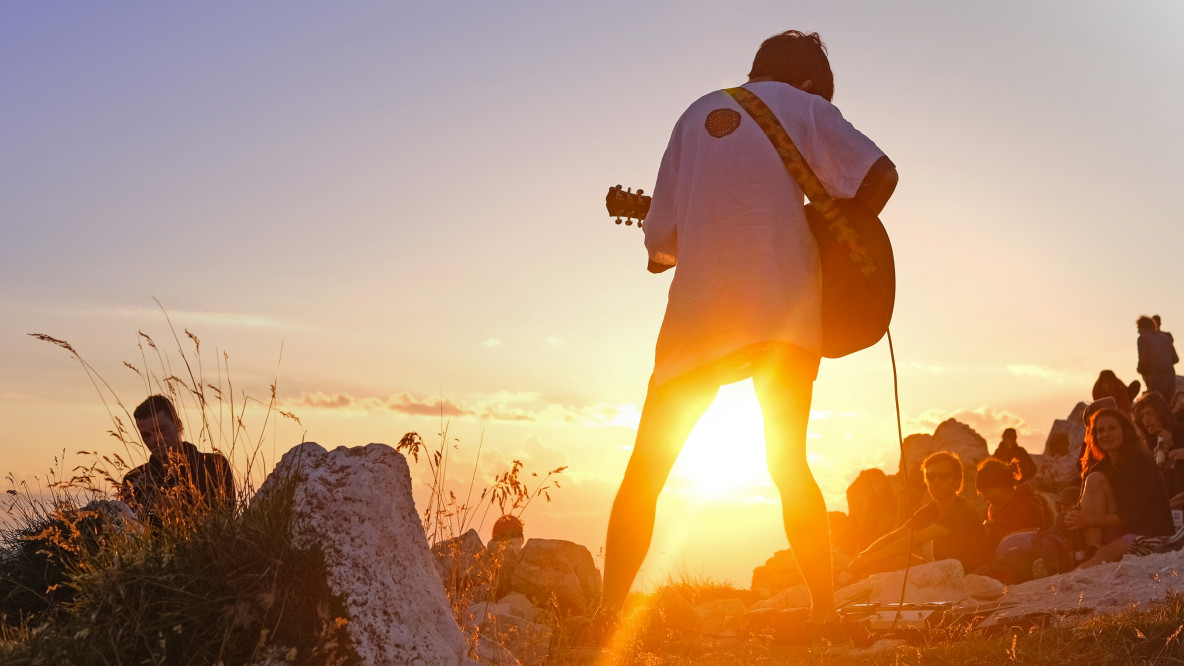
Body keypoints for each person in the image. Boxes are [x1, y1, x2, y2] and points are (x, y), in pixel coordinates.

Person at [601, 30, 898, 634]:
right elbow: (880, 174)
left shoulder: (693, 115)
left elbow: (661, 243)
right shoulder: (810, 108)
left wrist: (714, 220)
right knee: (789, 464)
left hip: (698, 321)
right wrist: (822, 230)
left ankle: (605, 617)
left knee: (645, 472)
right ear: (811, 85)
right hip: (785, 317)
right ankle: (824, 612)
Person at [846, 452, 991, 577]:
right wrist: (864, 555)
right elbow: (896, 536)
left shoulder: (962, 510)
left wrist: (870, 560)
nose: (936, 482)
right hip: (948, 571)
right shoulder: (932, 510)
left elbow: (914, 540)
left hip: (972, 575)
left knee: (892, 560)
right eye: (931, 477)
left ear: (957, 481)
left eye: (943, 476)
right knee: (893, 559)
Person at [1063, 407, 1173, 567]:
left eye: (1112, 428)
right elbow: (1086, 507)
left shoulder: (1142, 463)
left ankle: (1098, 555)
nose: (1106, 434)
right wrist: (1074, 516)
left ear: (1125, 432)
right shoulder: (1100, 468)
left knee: (1091, 565)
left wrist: (1087, 520)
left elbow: (1132, 515)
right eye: (1101, 431)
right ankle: (1095, 548)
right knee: (1094, 479)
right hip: (1118, 532)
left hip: (1148, 533)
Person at [120, 395, 235, 523]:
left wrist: (178, 509)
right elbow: (130, 532)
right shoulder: (133, 479)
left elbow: (226, 518)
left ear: (178, 424)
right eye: (146, 435)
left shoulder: (214, 464)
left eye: (161, 429)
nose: (154, 440)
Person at [975, 458, 1051, 550]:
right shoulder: (993, 508)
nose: (985, 498)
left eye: (987, 492)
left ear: (1001, 487)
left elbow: (1022, 548)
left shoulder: (1028, 508)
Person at [1131, 392, 1184, 497]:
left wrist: (1174, 446)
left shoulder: (1181, 431)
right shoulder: (1147, 446)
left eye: (1150, 414)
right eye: (1142, 416)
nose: (1146, 420)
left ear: (1161, 414)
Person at [1137, 315, 1179, 401]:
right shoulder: (1166, 338)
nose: (1138, 331)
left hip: (1155, 379)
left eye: (1138, 328)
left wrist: (1140, 370)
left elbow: (1143, 362)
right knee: (1167, 407)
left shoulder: (1142, 338)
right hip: (1170, 377)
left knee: (1156, 406)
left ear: (1142, 327)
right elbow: (1175, 359)